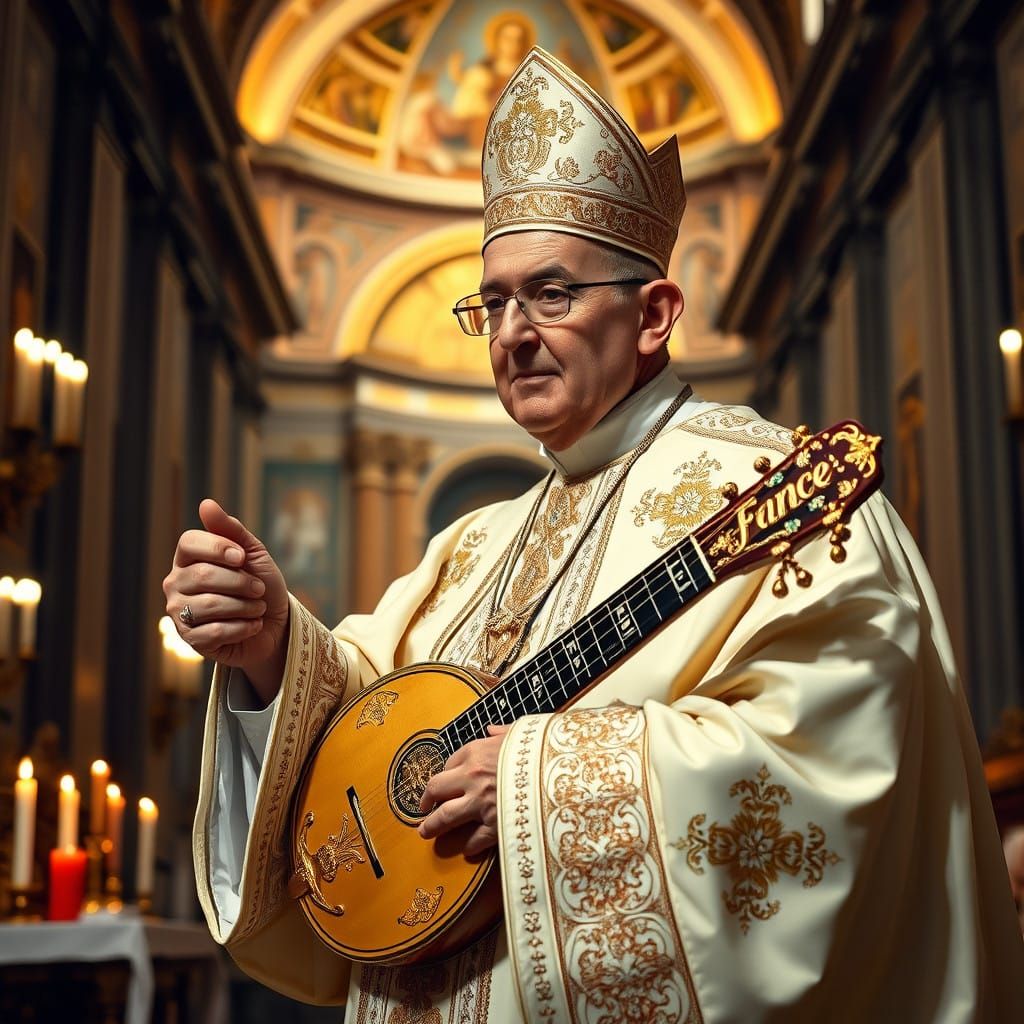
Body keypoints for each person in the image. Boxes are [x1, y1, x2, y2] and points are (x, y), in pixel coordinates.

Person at [166, 48, 1024, 1021]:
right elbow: (370, 738)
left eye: (553, 293)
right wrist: (271, 645)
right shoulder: (473, 546)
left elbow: (837, 770)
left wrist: (542, 789)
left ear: (655, 313)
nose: (511, 333)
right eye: (492, 302)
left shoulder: (772, 493)